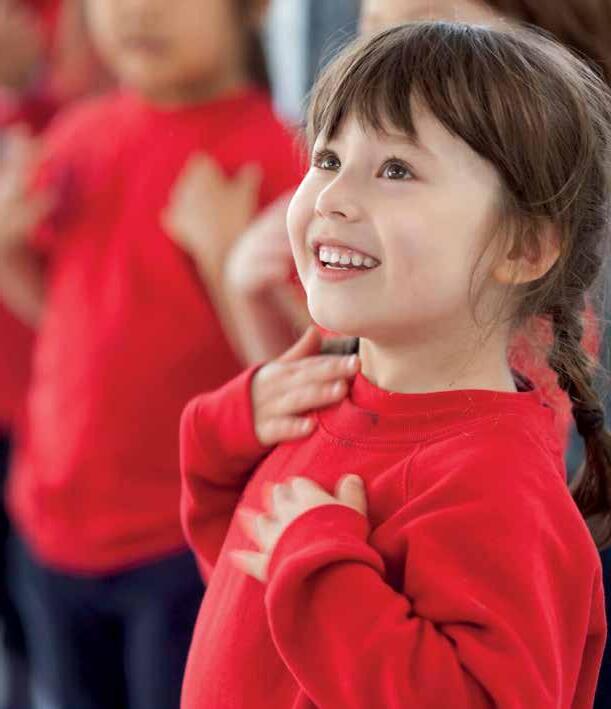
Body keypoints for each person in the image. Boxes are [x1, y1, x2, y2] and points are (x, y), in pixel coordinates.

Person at [179, 22, 610, 707]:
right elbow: (247, 596)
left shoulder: (498, 488)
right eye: (327, 158)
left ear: (522, 249)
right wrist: (223, 434)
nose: (331, 197)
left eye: (396, 170)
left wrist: (323, 573)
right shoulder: (321, 396)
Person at [0, 0, 301, 706]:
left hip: (182, 540)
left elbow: (300, 372)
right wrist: (8, 252)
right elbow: (66, 314)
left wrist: (227, 260)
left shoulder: (280, 156)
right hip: (52, 519)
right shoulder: (76, 135)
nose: (137, 10)